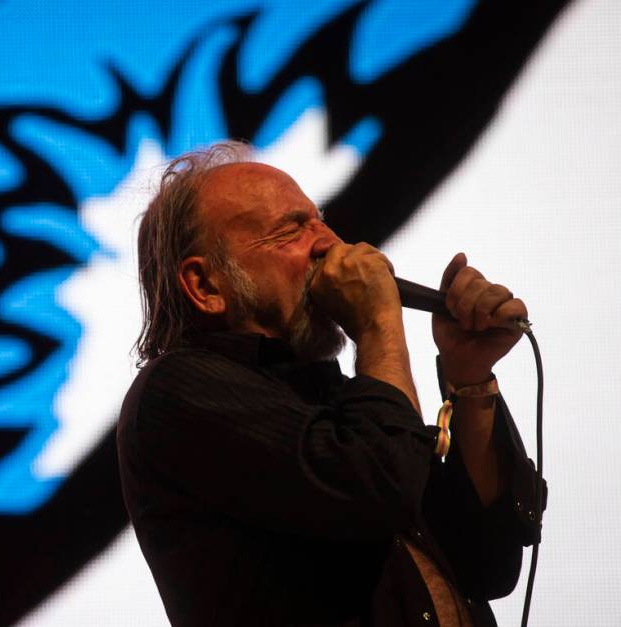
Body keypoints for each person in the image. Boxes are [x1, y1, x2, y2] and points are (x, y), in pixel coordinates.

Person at [116, 142, 545, 627]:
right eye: (291, 230)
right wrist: (379, 325)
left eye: (319, 220)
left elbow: (488, 561)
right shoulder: (176, 395)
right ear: (206, 287)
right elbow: (376, 487)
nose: (331, 244)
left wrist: (469, 379)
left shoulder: (341, 401)